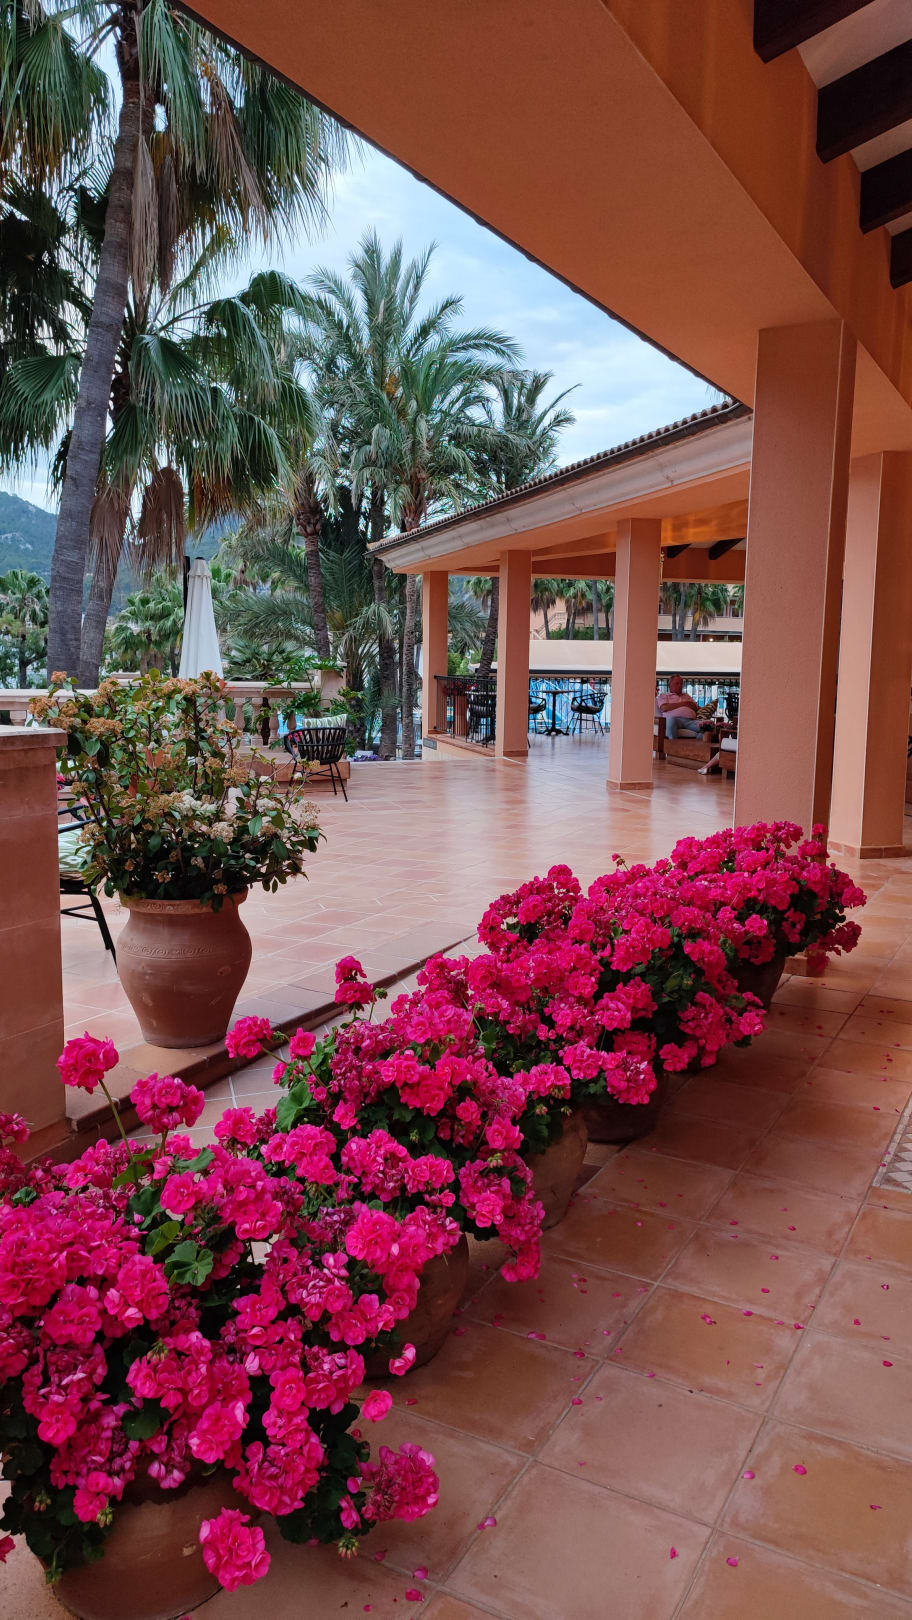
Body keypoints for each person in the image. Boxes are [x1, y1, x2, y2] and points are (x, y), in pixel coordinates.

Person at [655, 674, 707, 740]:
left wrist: (693, 706)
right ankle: (672, 744)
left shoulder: (687, 696)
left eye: (681, 684)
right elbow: (664, 707)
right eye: (677, 683)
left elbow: (696, 707)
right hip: (675, 720)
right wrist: (684, 704)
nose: (680, 685)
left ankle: (696, 744)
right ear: (670, 685)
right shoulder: (664, 696)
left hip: (690, 721)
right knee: (671, 720)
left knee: (707, 726)